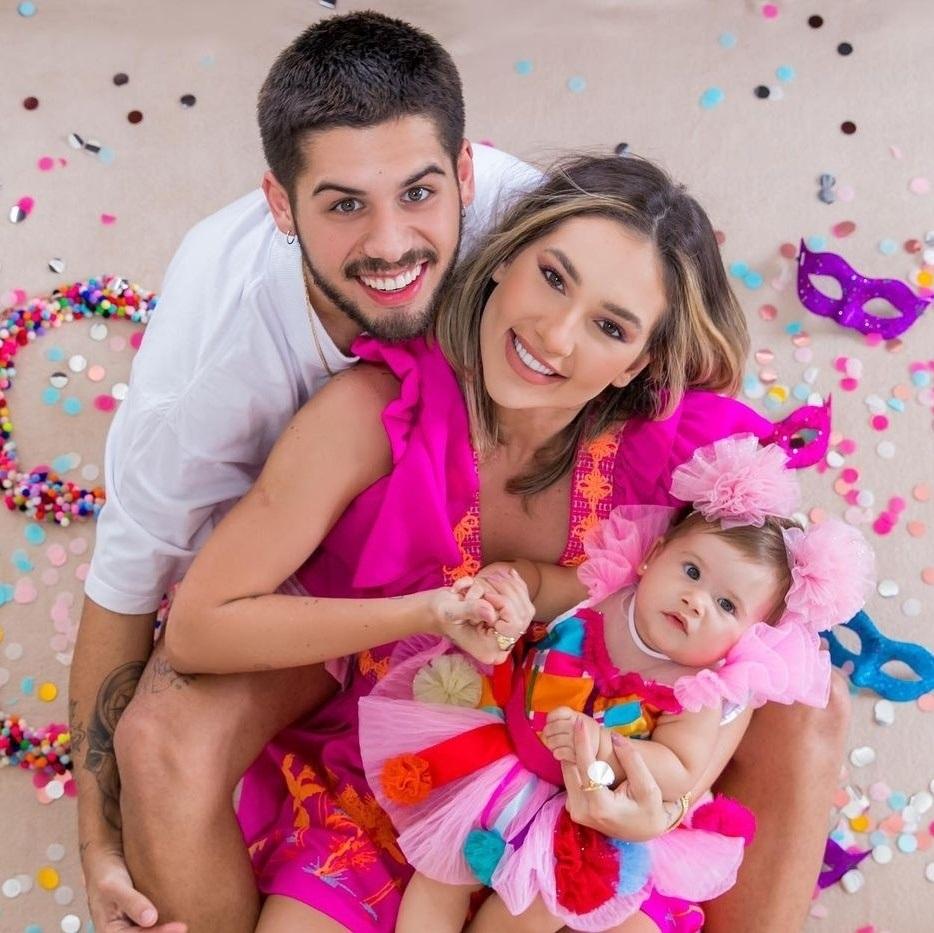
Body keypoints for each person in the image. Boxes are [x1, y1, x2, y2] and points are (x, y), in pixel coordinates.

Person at [160, 153, 835, 932]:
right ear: (506, 255)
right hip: (401, 767)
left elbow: (764, 639)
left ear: (638, 362)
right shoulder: (375, 414)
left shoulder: (686, 453)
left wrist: (670, 788)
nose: (555, 334)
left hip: (584, 810)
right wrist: (429, 613)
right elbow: (199, 627)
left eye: (610, 326)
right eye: (552, 276)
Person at [69, 12, 539, 933]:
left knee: (800, 707)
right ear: (280, 205)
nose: (393, 243)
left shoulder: (531, 226)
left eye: (419, 192)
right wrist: (98, 839)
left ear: (468, 175)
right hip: (309, 574)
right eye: (343, 204)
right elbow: (124, 590)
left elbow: (665, 329)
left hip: (498, 550)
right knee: (159, 741)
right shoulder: (203, 372)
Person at [357, 435, 874, 932]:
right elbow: (535, 582)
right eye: (691, 571)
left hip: (583, 808)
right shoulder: (605, 593)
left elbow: (680, 769)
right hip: (501, 752)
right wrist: (508, 590)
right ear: (654, 556)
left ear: (745, 637)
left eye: (725, 605)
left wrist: (612, 748)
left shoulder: (696, 689)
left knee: (539, 908)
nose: (696, 601)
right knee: (439, 869)